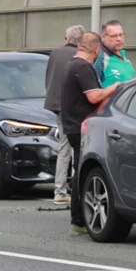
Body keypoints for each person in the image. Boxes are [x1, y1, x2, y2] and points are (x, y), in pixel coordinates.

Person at [61, 32, 119, 236]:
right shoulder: (82, 67)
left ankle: (79, 219)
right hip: (81, 127)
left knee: (79, 172)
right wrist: (115, 87)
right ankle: (78, 220)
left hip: (72, 125)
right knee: (82, 174)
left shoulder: (71, 64)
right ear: (96, 50)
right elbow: (94, 97)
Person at [44, 24, 84, 206]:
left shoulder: (55, 52)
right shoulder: (80, 57)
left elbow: (48, 78)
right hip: (74, 107)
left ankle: (60, 189)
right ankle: (72, 189)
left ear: (67, 38)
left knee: (64, 148)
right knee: (76, 148)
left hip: (56, 104)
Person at [92, 20, 135, 87]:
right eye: (114, 36)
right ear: (104, 36)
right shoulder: (100, 57)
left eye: (121, 35)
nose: (119, 39)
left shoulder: (122, 54)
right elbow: (92, 89)